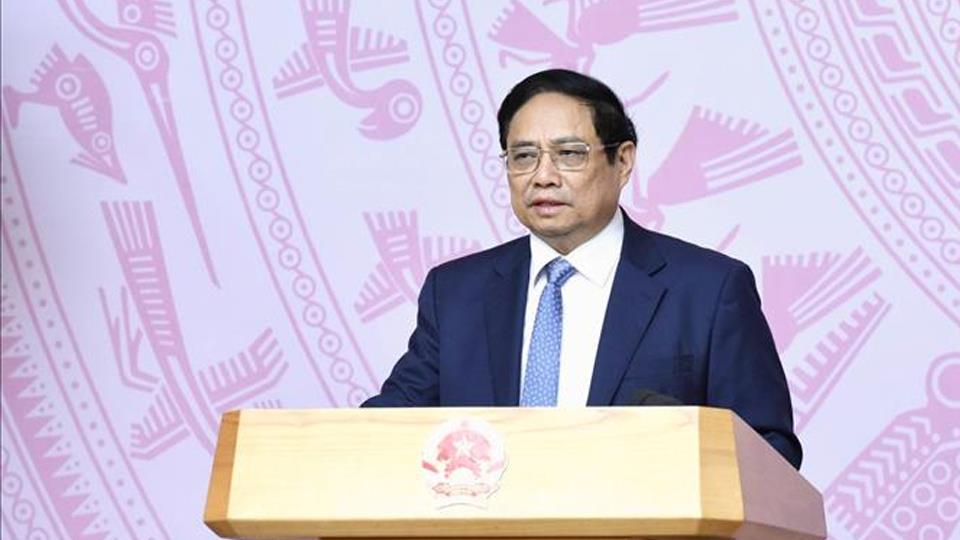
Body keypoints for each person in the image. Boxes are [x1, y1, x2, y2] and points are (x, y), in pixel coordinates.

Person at [362, 69, 802, 470]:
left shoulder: (708, 289)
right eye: (523, 156)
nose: (543, 176)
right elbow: (387, 431)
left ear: (623, 161)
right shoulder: (456, 293)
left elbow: (768, 451)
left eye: (569, 154)